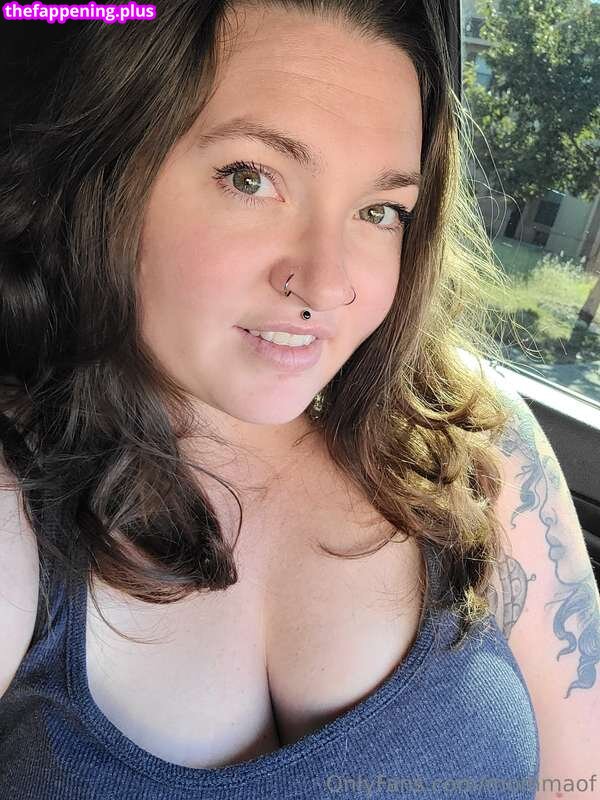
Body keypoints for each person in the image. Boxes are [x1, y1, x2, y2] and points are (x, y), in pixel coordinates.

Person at [0, 1, 597, 798]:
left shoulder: (476, 438)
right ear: (106, 177)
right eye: (251, 179)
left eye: (379, 211)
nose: (325, 282)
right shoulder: (19, 494)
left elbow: (581, 780)